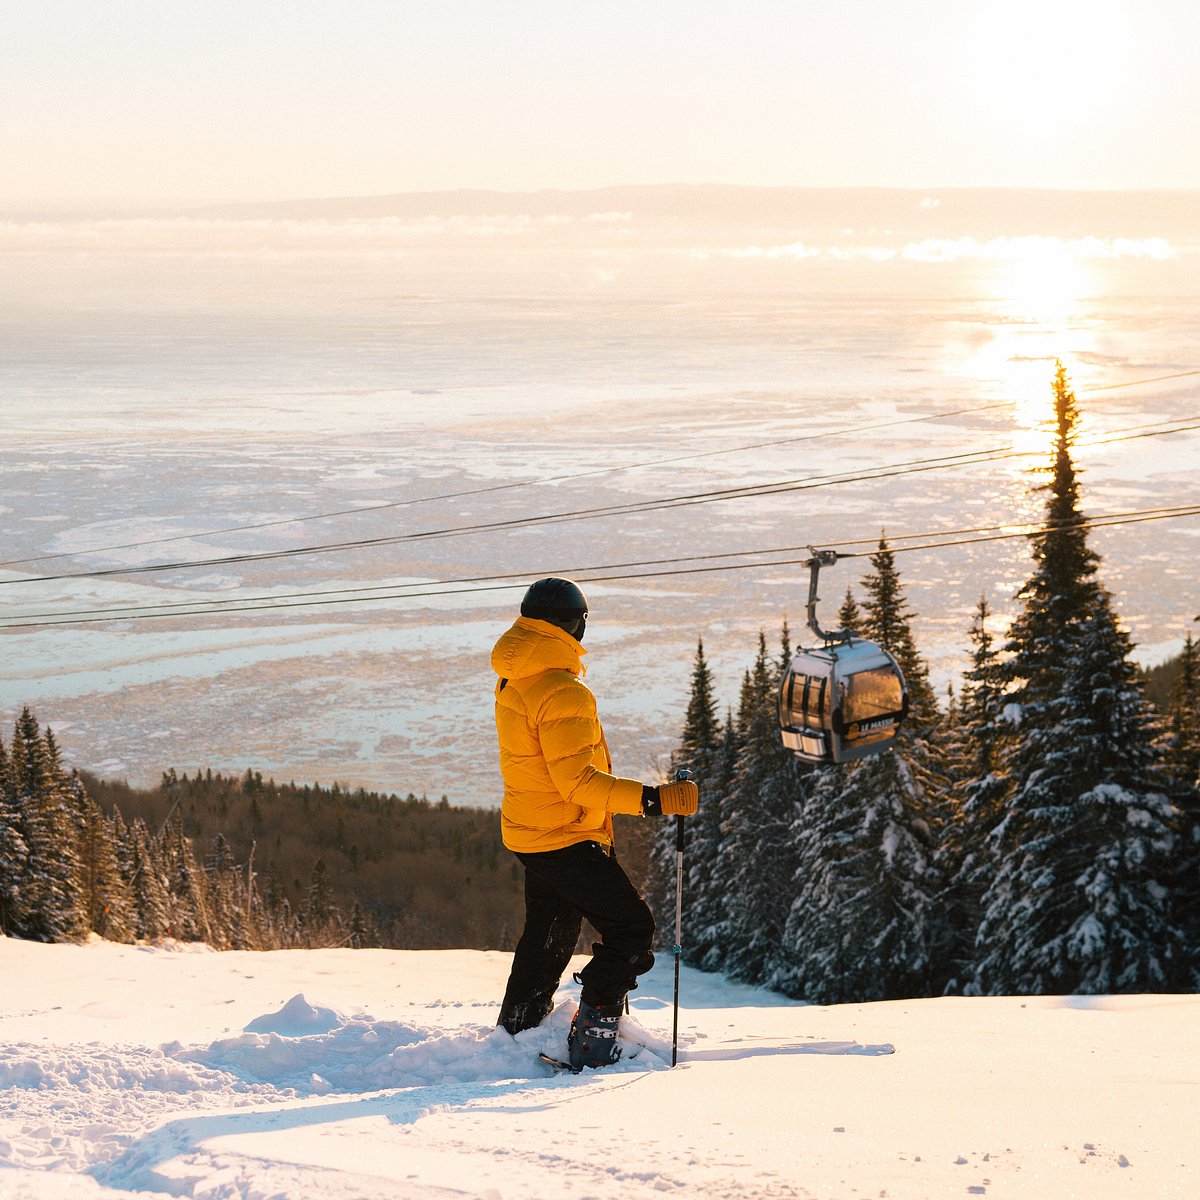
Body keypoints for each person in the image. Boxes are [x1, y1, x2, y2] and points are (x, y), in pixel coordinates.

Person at [491, 576, 700, 1069]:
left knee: (551, 933)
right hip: (564, 834)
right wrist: (656, 800)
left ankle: (518, 1030)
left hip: (530, 829)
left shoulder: (515, 676)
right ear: (575, 625)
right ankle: (594, 1040)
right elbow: (579, 784)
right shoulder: (564, 691)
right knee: (631, 929)